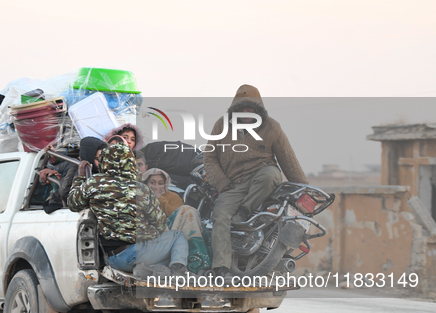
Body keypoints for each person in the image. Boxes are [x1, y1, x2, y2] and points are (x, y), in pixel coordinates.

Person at [203, 84, 308, 277]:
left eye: (251, 108)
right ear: (235, 109)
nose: (246, 111)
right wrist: (221, 182)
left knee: (272, 174)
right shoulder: (221, 125)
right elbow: (209, 157)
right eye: (242, 107)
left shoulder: (272, 127)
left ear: (259, 110)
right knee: (220, 215)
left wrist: (305, 189)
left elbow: (288, 160)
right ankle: (221, 267)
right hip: (232, 183)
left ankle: (245, 210)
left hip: (261, 179)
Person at [67, 143, 191, 278]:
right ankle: (178, 272)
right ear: (130, 163)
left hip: (112, 260)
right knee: (177, 237)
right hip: (137, 253)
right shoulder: (141, 189)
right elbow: (160, 223)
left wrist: (80, 177)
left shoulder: (93, 183)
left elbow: (73, 204)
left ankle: (148, 270)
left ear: (104, 162)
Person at [143, 168, 212, 273]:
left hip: (173, 233)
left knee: (188, 211)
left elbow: (178, 216)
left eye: (160, 183)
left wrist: (160, 198)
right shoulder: (140, 197)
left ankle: (197, 262)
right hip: (151, 239)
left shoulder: (172, 197)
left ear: (166, 183)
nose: (156, 186)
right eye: (152, 183)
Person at [38, 137, 108, 213]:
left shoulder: (111, 173)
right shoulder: (74, 166)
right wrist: (81, 176)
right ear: (87, 156)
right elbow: (65, 194)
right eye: (98, 159)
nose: (102, 162)